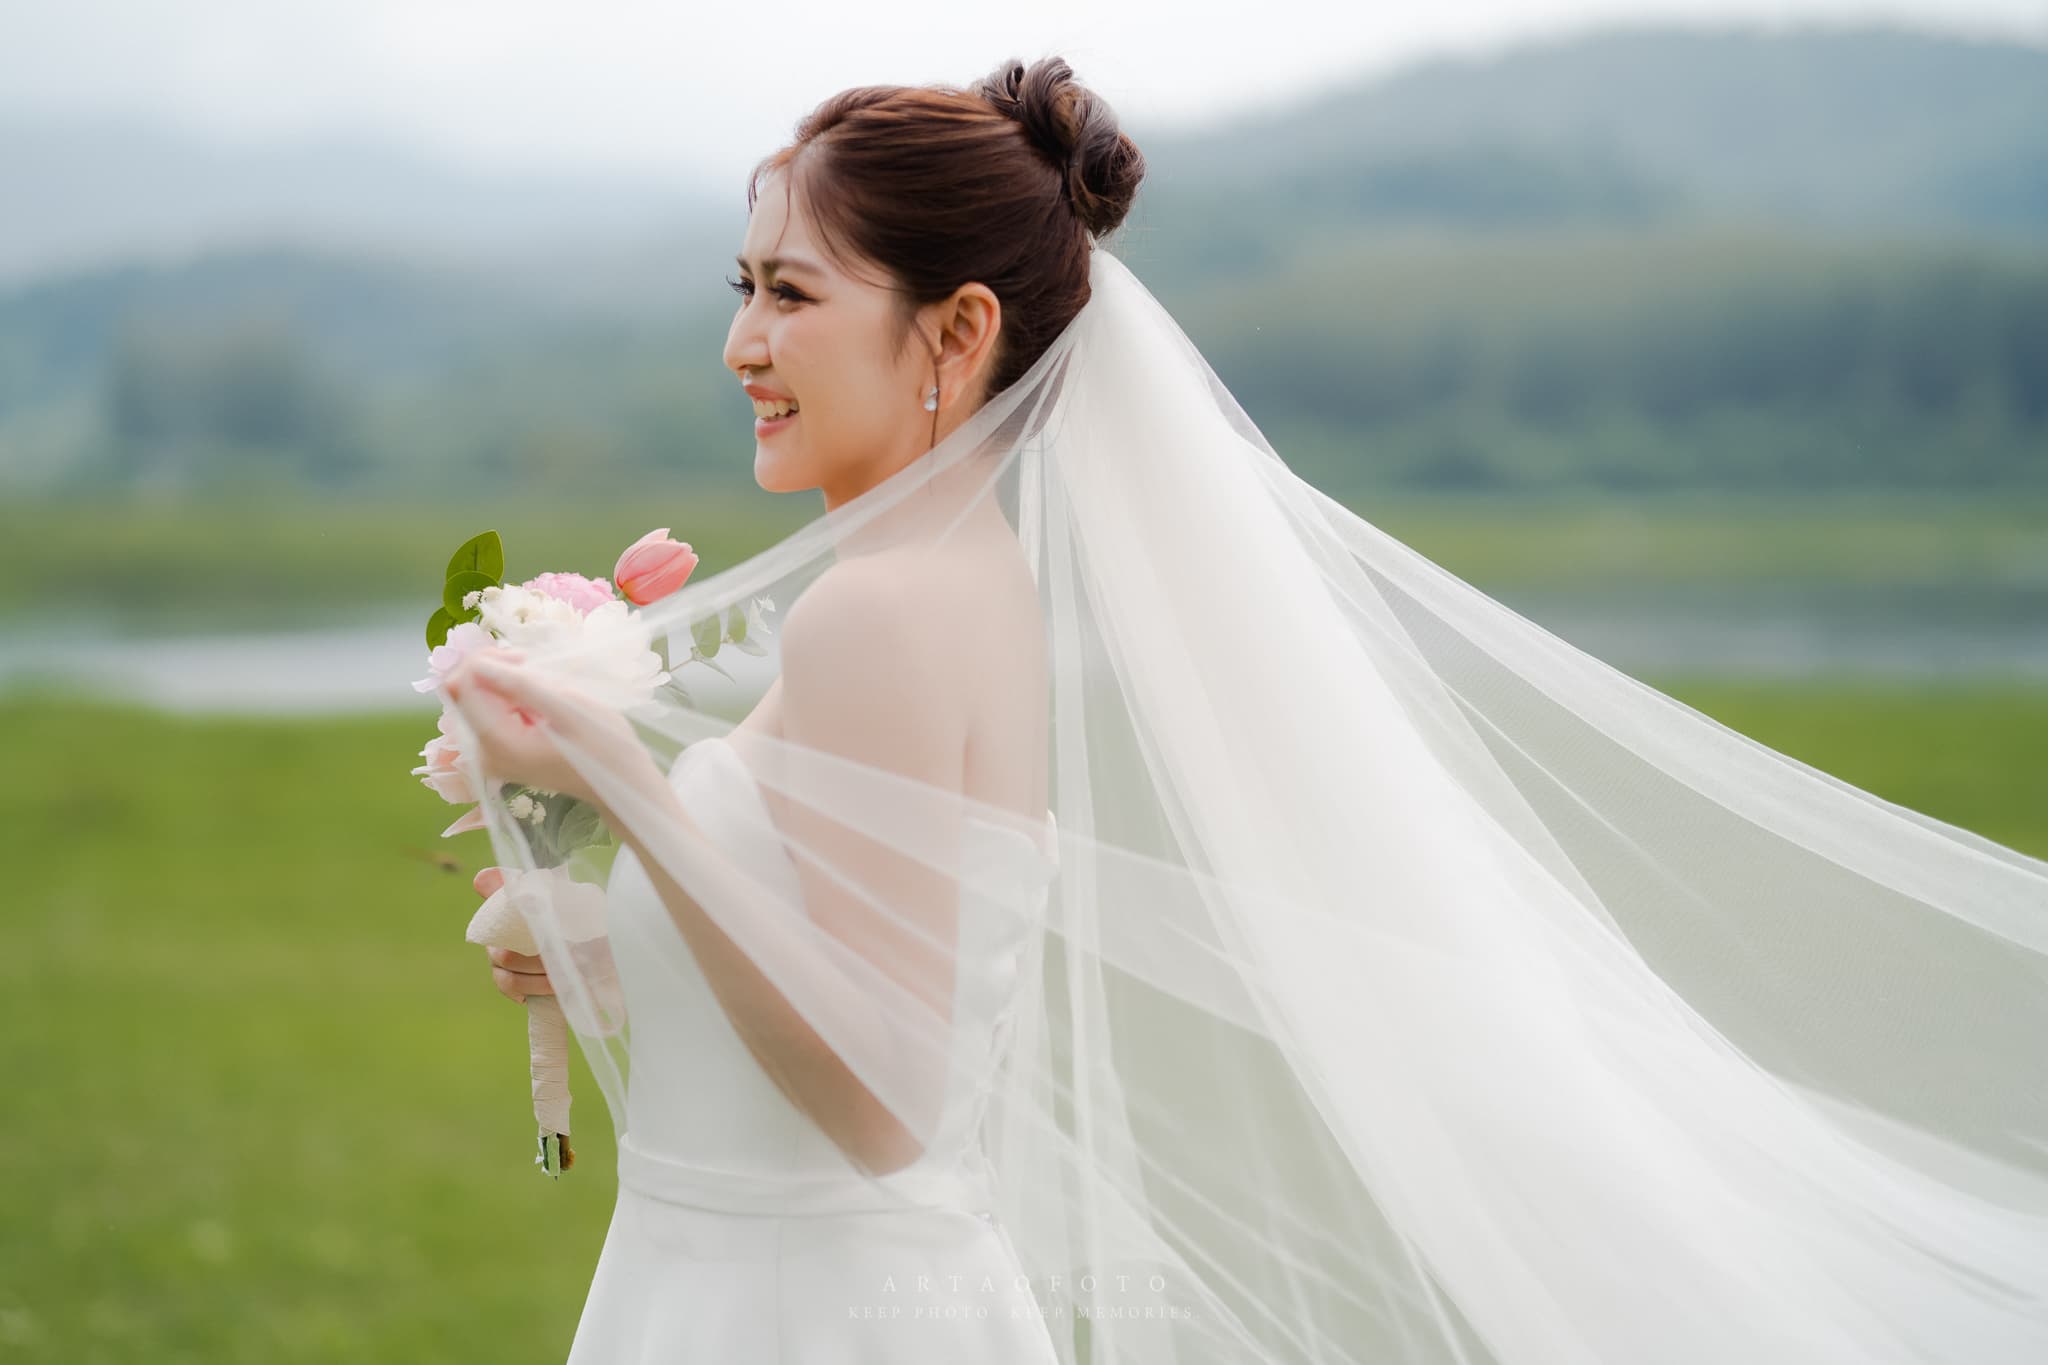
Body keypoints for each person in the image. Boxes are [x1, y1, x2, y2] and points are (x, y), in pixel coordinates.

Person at [432, 54, 2048, 1365]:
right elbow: (847, 975)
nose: (741, 344)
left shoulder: (882, 610)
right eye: (744, 289)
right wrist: (612, 934)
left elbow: (884, 1097)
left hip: (797, 1311)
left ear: (959, 329)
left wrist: (621, 780)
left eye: (791, 295)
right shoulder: (955, 576)